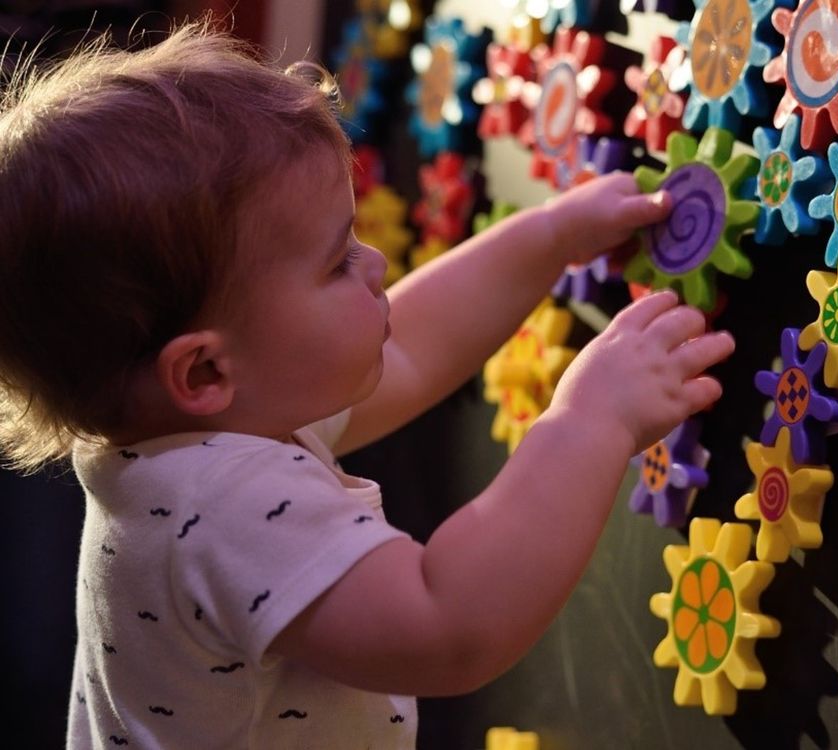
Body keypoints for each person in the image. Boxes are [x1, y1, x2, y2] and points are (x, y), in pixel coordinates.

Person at [0, 18, 735, 749]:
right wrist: (590, 421)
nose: (376, 264)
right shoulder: (220, 506)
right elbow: (448, 626)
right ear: (204, 369)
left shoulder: (189, 428)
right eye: (336, 262)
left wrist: (549, 237)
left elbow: (411, 347)